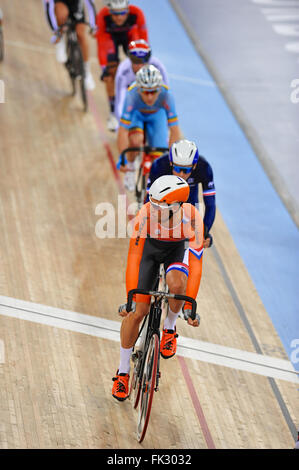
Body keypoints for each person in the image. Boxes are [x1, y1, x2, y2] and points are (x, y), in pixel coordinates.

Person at [112, 175, 203, 401]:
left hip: (176, 251)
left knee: (176, 284)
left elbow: (196, 264)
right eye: (152, 203)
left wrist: (190, 304)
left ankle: (169, 327)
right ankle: (123, 372)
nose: (152, 209)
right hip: (149, 254)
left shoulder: (192, 218)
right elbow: (134, 258)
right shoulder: (145, 215)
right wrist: (131, 298)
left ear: (175, 206)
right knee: (138, 313)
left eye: (158, 206)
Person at [117, 64, 181, 191]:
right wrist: (123, 158)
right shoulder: (131, 95)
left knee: (159, 158)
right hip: (137, 114)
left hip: (157, 116)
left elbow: (174, 130)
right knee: (136, 141)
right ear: (139, 89)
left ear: (159, 89)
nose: (150, 97)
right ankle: (131, 166)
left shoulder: (167, 95)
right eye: (146, 92)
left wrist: (172, 159)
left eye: (153, 92)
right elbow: (123, 130)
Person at [147, 139, 216, 248]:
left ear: (194, 166)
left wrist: (204, 232)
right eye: (177, 169)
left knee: (191, 236)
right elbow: (148, 202)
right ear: (171, 163)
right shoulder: (159, 165)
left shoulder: (204, 168)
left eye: (186, 170)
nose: (181, 174)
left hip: (189, 200)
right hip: (163, 199)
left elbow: (210, 205)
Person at [96, 0, 149, 131]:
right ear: (110, 11)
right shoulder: (103, 16)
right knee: (110, 74)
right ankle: (113, 112)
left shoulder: (137, 13)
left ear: (128, 10)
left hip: (129, 37)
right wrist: (105, 68)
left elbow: (144, 40)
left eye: (122, 13)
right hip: (109, 39)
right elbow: (101, 43)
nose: (119, 17)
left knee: (139, 64)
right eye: (115, 14)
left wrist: (144, 63)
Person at [114, 39, 169, 129]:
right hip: (132, 105)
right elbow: (120, 100)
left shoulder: (158, 67)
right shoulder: (123, 71)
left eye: (143, 62)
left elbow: (165, 94)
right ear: (130, 60)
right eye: (136, 62)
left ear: (148, 60)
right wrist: (123, 121)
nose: (140, 66)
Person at [43, 0, 96, 90]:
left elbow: (91, 5)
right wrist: (56, 32)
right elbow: (48, 9)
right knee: (61, 14)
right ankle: (60, 43)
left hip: (75, 3)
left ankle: (87, 71)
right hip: (59, 2)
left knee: (81, 34)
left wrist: (94, 26)